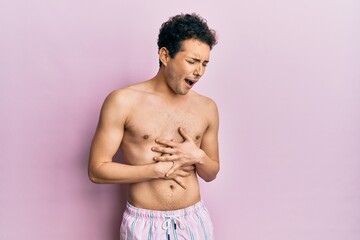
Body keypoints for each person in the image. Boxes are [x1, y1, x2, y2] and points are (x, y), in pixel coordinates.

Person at [88, 13, 219, 240]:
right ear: (165, 55)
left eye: (204, 63)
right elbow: (97, 170)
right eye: (192, 61)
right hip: (144, 222)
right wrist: (154, 171)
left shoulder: (207, 107)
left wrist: (197, 156)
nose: (199, 72)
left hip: (193, 220)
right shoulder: (122, 101)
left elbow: (211, 172)